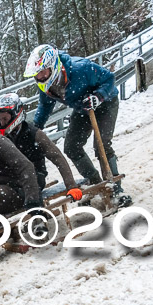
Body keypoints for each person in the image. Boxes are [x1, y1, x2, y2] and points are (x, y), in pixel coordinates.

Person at [24, 44, 132, 207]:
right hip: (82, 107)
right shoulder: (46, 86)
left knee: (101, 144)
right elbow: (45, 107)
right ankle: (95, 182)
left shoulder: (81, 68)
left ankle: (115, 188)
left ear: (53, 67)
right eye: (36, 74)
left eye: (42, 72)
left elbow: (109, 78)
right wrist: (35, 128)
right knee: (71, 147)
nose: (40, 77)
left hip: (106, 103)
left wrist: (99, 96)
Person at [0, 93, 82, 202]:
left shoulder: (34, 134)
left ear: (15, 114)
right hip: (13, 179)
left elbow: (57, 157)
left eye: (5, 119)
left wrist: (71, 186)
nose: (2, 123)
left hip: (35, 177)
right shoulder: (2, 139)